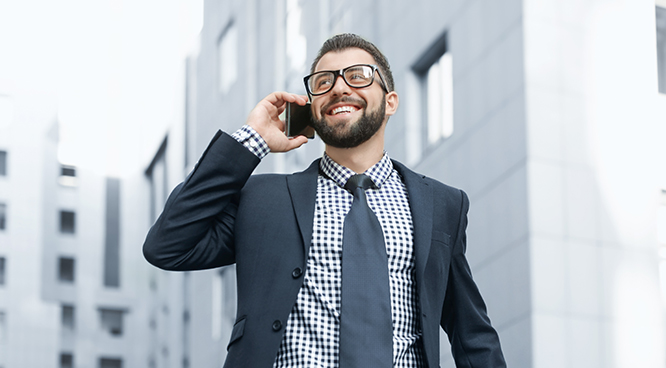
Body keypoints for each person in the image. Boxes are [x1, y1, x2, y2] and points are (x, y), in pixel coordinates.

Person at [143, 33, 506, 368]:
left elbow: (471, 332)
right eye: (323, 82)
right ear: (311, 109)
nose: (339, 88)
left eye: (359, 75)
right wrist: (253, 138)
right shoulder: (262, 200)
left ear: (391, 101)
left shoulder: (443, 204)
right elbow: (168, 245)